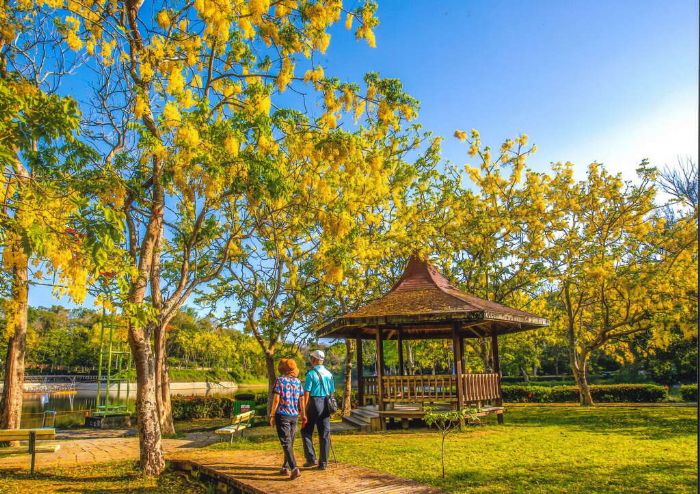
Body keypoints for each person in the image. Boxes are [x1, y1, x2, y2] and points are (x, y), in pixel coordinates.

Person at [269, 358, 306, 480]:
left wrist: (272, 415)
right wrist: (303, 414)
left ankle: (294, 468)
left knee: (286, 442)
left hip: (282, 415)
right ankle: (285, 467)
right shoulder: (297, 382)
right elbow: (302, 399)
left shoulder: (279, 381)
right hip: (294, 415)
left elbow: (276, 399)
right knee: (289, 442)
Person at [301, 349, 335, 470]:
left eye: (311, 358)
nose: (311, 360)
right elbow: (332, 392)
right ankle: (323, 463)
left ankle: (311, 459)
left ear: (314, 360)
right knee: (325, 433)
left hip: (314, 402)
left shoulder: (311, 374)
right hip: (326, 402)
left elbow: (306, 394)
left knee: (306, 430)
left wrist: (303, 411)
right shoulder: (329, 374)